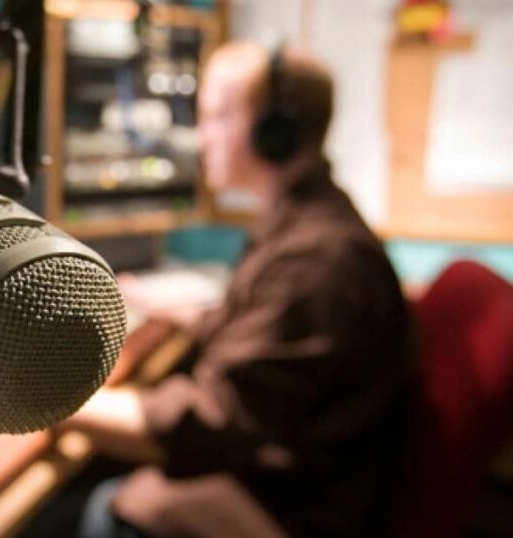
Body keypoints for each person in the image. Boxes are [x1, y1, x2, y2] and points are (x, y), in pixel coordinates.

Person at [35, 42, 416, 538]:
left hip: (290, 509)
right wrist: (179, 311)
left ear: (275, 132)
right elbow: (262, 335)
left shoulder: (315, 262)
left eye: (216, 117)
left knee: (85, 511)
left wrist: (39, 398)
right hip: (292, 479)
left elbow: (207, 427)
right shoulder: (306, 225)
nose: (201, 137)